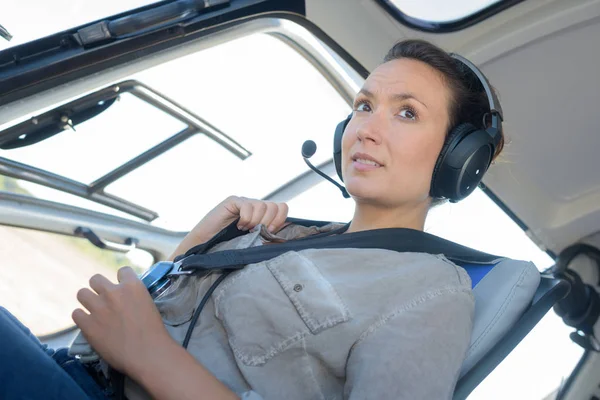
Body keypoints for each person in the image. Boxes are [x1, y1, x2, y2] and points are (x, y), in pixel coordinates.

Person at [0, 38, 505, 400]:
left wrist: (152, 358)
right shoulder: (288, 232)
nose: (366, 129)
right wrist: (194, 249)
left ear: (457, 160)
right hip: (74, 370)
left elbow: (152, 347)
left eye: (407, 113)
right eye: (364, 105)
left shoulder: (432, 293)